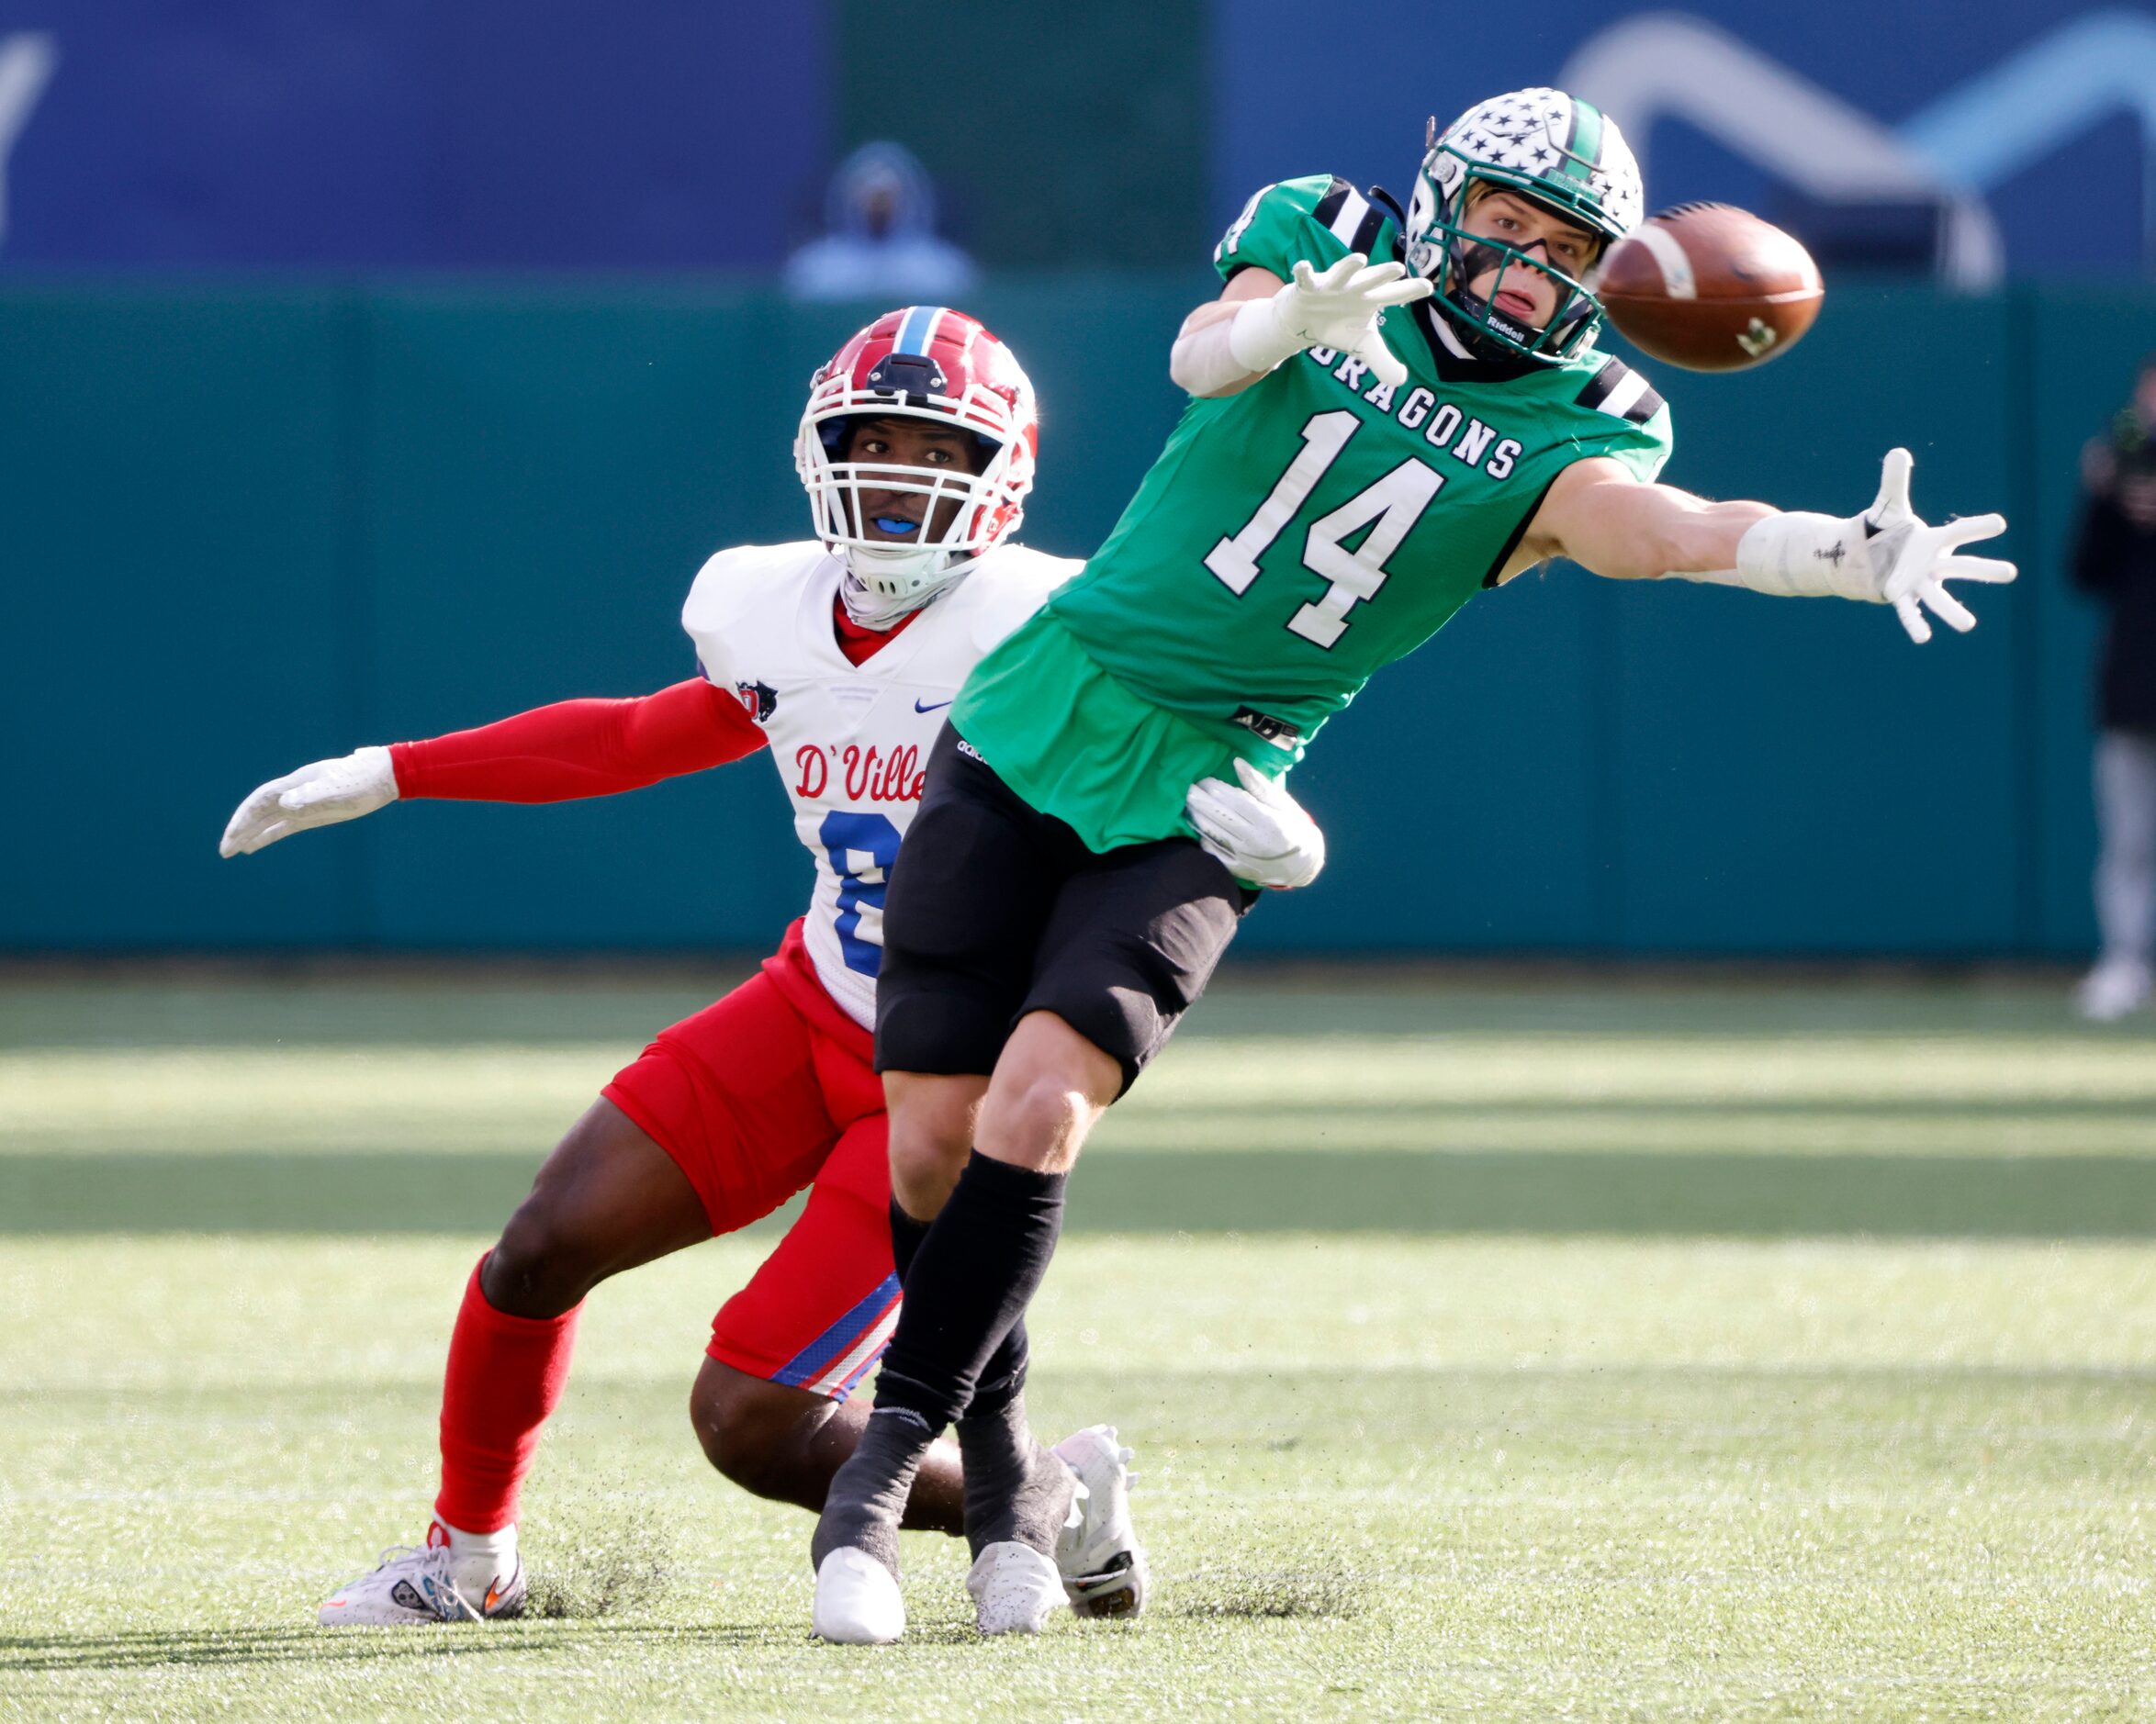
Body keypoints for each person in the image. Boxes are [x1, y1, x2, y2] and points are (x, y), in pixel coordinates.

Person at [809, 87, 2019, 1644]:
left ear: (1604, 269)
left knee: (1035, 1111)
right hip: (1047, 700)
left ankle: (874, 1484)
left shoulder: (1587, 408)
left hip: (1215, 785)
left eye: (1562, 246)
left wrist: (1818, 551)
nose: (1524, 265)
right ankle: (1005, 1484)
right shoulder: (1333, 236)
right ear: (1444, 200)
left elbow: (1641, 524)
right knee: (928, 1147)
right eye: (1505, 225)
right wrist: (1281, 326)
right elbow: (1197, 353)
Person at [218, 306, 1323, 1631]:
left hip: (944, 1073)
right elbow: (640, 733)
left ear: (1003, 476)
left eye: (934, 452)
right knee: (536, 1247)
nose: (896, 478)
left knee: (749, 1415)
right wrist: (394, 772)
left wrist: (1272, 822)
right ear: (818, 447)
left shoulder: (1055, 618)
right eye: (873, 441)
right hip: (810, 1003)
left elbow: (1207, 739)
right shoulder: (769, 604)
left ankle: (1033, 1496)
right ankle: (466, 1557)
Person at [2072, 353, 2156, 1021]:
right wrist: (2103, 495)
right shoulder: (2126, 461)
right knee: (2130, 839)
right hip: (2135, 685)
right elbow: (2083, 571)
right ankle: (2125, 962)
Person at [784, 142, 978, 304]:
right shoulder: (817, 271)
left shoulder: (942, 271)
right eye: (870, 197)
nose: (878, 207)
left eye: (886, 197)